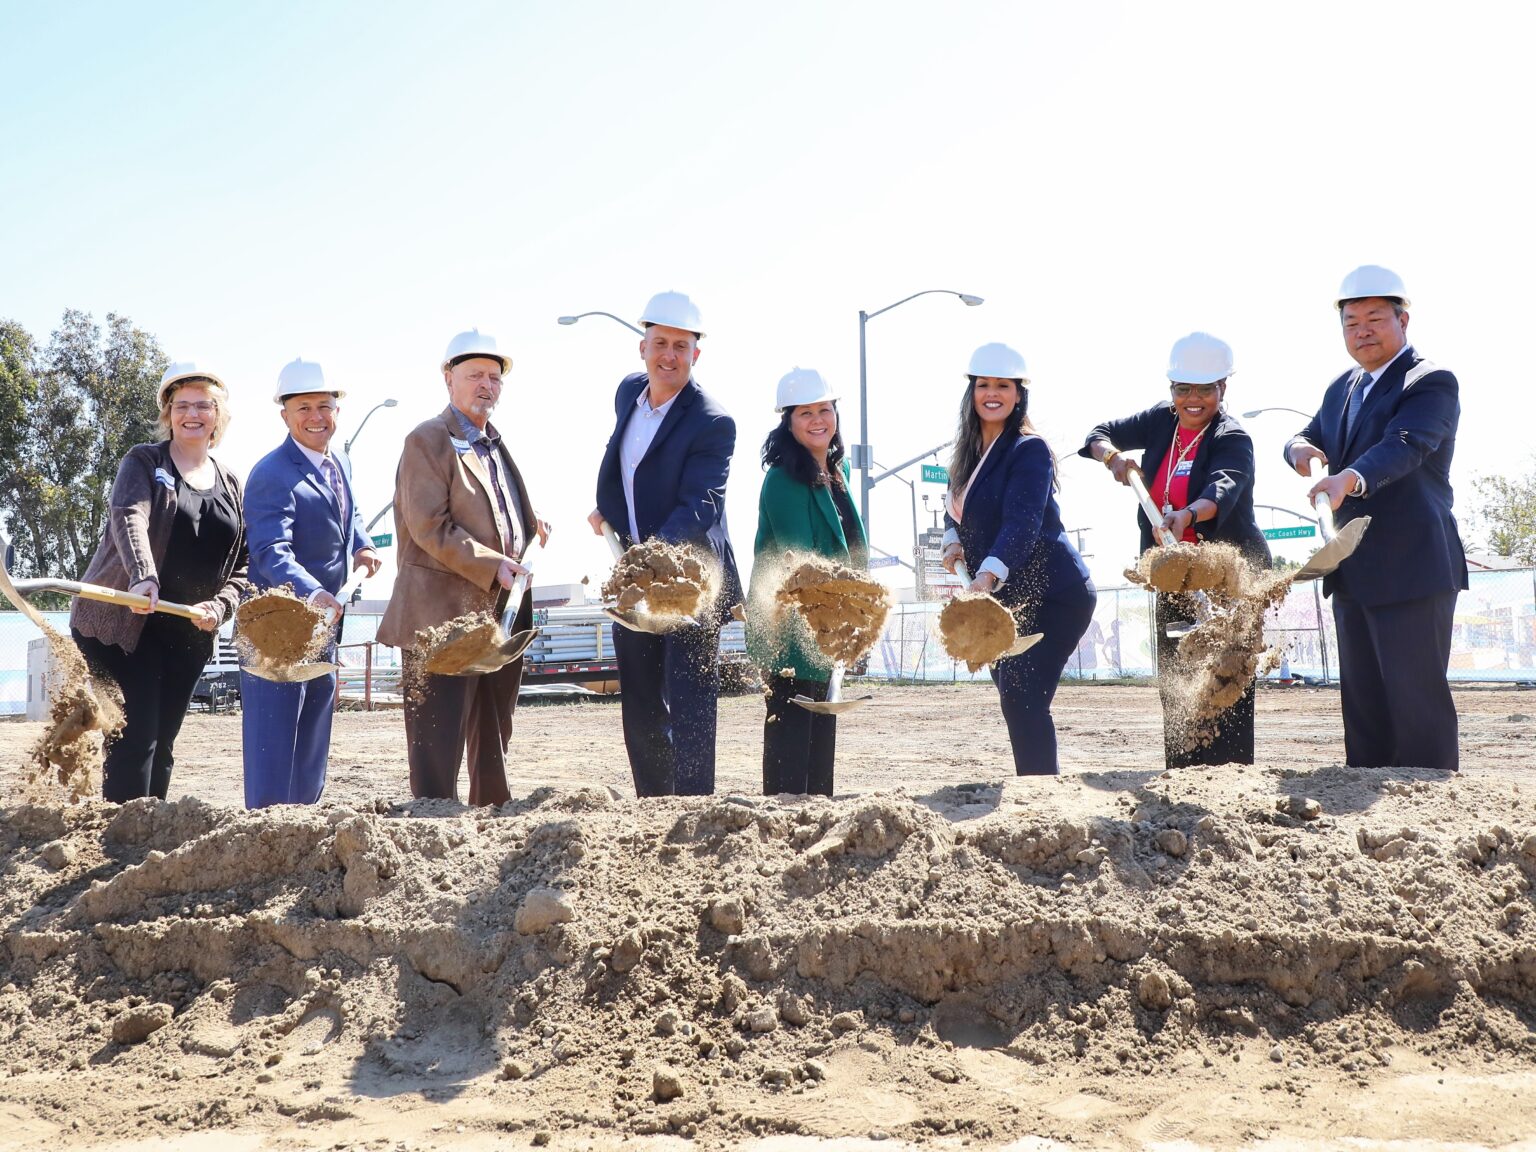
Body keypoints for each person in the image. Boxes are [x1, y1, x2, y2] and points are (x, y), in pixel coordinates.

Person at [1285, 265, 1465, 772]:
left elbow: (1406, 444)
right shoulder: (1343, 387)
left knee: (1415, 700)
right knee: (1363, 703)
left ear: (1403, 320)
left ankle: (1432, 807)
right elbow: (1310, 434)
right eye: (1351, 322)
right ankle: (1366, 793)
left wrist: (1350, 479)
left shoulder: (1430, 381)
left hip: (1412, 563)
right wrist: (1297, 447)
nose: (1362, 331)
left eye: (1374, 319)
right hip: (1352, 564)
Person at [1081, 332, 1272, 768]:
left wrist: (1187, 515)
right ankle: (1182, 770)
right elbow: (1099, 433)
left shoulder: (1232, 436)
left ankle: (1230, 774)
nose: (1192, 399)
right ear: (1171, 390)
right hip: (1174, 577)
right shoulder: (1161, 421)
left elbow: (1223, 487)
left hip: (1228, 578)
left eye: (1205, 389)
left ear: (1223, 388)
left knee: (1226, 676)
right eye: (1182, 389)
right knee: (1178, 671)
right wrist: (1112, 458)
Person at [378, 330, 549, 805]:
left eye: (494, 377)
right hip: (441, 616)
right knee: (439, 736)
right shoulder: (427, 440)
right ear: (448, 378)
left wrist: (527, 525)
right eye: (475, 374)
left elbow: (492, 513)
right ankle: (433, 825)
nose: (486, 385)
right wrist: (495, 563)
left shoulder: (492, 443)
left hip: (497, 611)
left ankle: (489, 818)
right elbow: (429, 526)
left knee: (494, 727)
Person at [70, 362, 249, 802]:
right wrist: (142, 578)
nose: (193, 413)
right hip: (127, 623)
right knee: (137, 740)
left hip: (189, 629)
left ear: (217, 415)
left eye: (203, 405)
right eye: (182, 404)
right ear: (168, 413)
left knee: (163, 744)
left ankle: (151, 832)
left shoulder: (230, 483)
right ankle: (120, 844)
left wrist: (221, 606)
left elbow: (245, 561)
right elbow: (130, 517)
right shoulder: (144, 461)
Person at [589, 291, 743, 798]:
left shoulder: (713, 421)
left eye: (681, 345)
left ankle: (694, 807)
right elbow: (628, 467)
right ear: (643, 348)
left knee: (691, 695)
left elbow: (700, 506)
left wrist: (645, 560)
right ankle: (653, 804)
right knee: (640, 696)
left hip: (690, 581)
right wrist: (609, 510)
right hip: (634, 577)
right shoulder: (628, 394)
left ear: (697, 354)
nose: (669, 355)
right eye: (660, 343)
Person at [940, 342, 1095, 776]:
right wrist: (952, 541)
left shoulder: (1029, 449)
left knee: (1023, 695)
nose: (993, 393)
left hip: (1056, 595)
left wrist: (984, 579)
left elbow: (1021, 524)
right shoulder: (967, 454)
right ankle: (1035, 788)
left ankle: (1040, 795)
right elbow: (957, 509)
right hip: (1008, 601)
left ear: (1018, 393)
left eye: (1003, 386)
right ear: (971, 392)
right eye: (984, 384)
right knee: (1013, 693)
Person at [240, 359, 381, 808]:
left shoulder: (338, 463)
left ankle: (305, 816)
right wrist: (312, 592)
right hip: (278, 630)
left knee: (315, 724)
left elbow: (350, 513)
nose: (316, 416)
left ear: (338, 409)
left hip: (324, 623)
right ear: (284, 414)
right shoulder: (271, 474)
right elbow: (269, 551)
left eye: (325, 405)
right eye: (304, 407)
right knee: (274, 733)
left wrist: (362, 545)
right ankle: (266, 829)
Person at [746, 368, 868, 796]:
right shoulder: (782, 480)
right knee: (791, 732)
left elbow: (850, 548)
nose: (817, 420)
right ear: (788, 422)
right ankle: (780, 824)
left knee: (822, 736)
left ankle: (816, 815)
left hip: (830, 625)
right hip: (791, 629)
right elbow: (804, 564)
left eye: (824, 410)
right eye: (805, 413)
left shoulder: (839, 470)